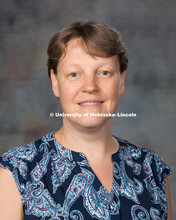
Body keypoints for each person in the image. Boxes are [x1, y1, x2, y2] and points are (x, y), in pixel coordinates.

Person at [0, 21, 173, 220]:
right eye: (74, 74)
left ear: (122, 81)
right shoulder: (17, 173)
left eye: (104, 73)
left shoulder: (152, 170)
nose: (90, 87)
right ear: (55, 82)